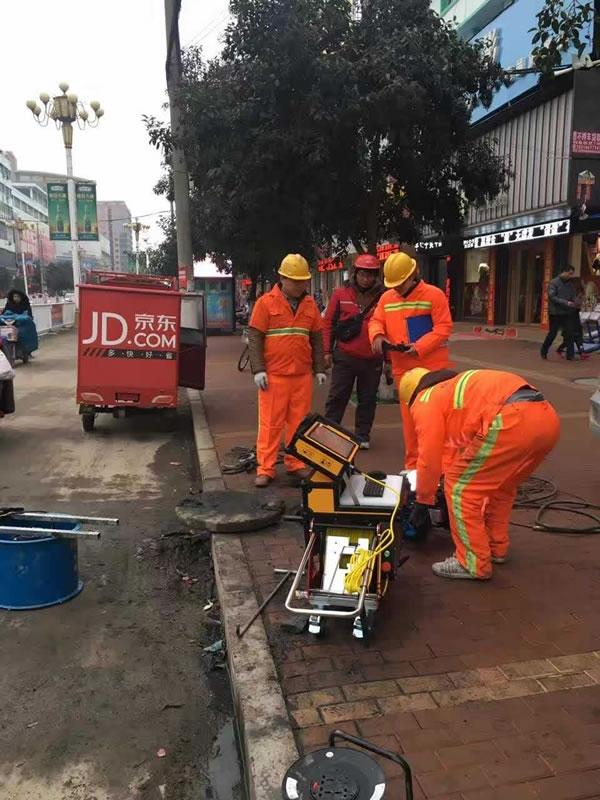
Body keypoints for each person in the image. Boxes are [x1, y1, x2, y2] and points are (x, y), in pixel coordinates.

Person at [399, 367, 560, 580]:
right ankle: (495, 547)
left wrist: (423, 500)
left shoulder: (425, 400)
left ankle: (472, 563)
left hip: (510, 419)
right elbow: (456, 450)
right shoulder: (450, 391)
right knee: (501, 487)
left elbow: (429, 455)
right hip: (546, 419)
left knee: (459, 489)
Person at [248, 253, 326, 488]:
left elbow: (317, 337)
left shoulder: (310, 304)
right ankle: (266, 468)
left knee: (299, 423)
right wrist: (258, 369)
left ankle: (296, 464)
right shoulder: (265, 302)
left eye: (303, 280)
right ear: (283, 279)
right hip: (274, 376)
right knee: (270, 423)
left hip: (301, 375)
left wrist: (319, 368)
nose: (301, 285)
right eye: (296, 280)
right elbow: (255, 337)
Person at [368, 251, 453, 469]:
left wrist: (419, 347)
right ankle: (414, 468)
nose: (396, 288)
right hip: (403, 371)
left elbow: (444, 328)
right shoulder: (387, 298)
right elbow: (376, 320)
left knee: (435, 423)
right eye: (393, 284)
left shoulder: (434, 295)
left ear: (412, 275)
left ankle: (441, 470)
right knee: (410, 424)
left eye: (400, 283)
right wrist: (377, 335)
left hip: (432, 371)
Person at [323, 254, 384, 449]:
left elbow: (390, 328)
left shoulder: (384, 297)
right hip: (345, 356)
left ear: (376, 276)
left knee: (368, 399)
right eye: (363, 274)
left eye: (370, 275)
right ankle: (329, 433)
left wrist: (389, 360)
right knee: (337, 397)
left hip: (372, 359)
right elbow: (328, 324)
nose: (366, 279)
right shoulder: (340, 294)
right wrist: (326, 351)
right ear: (355, 274)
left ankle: (362, 436)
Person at [540, 266, 577, 360]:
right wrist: (566, 302)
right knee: (553, 333)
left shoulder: (570, 285)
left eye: (572, 274)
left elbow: (573, 296)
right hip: (556, 312)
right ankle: (544, 351)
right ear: (563, 272)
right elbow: (552, 297)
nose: (570, 276)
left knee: (570, 333)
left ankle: (570, 355)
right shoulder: (554, 283)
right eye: (569, 273)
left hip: (567, 312)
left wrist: (575, 302)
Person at [557, 278, 588, 359]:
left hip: (575, 314)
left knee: (578, 334)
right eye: (582, 282)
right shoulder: (573, 293)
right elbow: (575, 303)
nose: (583, 283)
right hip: (570, 315)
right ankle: (560, 349)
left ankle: (582, 352)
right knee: (571, 336)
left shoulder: (580, 293)